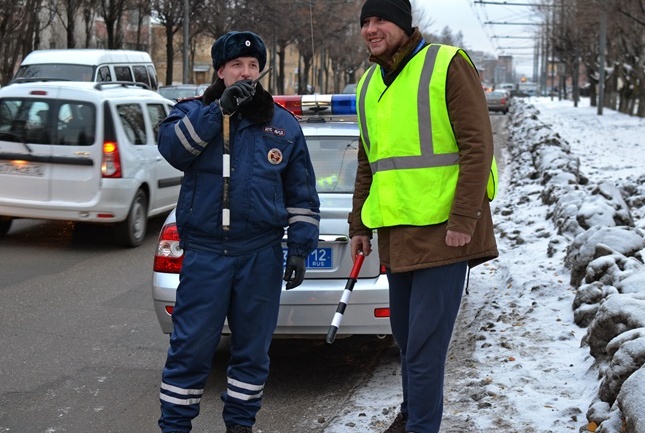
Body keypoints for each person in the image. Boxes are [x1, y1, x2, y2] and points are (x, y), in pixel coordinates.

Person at [156, 31, 320, 433]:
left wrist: (299, 246)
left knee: (251, 354)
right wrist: (218, 112)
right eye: (236, 66)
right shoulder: (194, 111)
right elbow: (173, 149)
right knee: (191, 350)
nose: (245, 73)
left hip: (260, 254)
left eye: (251, 66)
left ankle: (240, 426)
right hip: (206, 255)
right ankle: (175, 427)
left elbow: (300, 192)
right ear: (221, 71)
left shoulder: (281, 124)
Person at [348, 1, 499, 433]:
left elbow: (477, 146)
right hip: (396, 234)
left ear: (403, 23)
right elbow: (367, 161)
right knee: (408, 341)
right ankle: (412, 415)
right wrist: (359, 225)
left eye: (380, 20)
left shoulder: (446, 64)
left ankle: (420, 426)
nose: (371, 30)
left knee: (424, 350)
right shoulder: (369, 82)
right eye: (365, 23)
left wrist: (462, 220)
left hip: (443, 233)